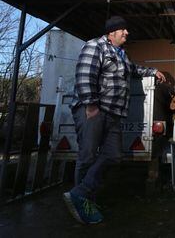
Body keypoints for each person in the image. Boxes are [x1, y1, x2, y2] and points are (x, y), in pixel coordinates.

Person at [63, 16, 166, 224]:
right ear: (111, 33)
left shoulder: (121, 55)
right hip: (94, 110)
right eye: (122, 30)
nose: (126, 33)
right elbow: (85, 75)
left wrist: (153, 71)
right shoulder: (95, 46)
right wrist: (91, 105)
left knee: (114, 155)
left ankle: (80, 193)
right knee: (87, 156)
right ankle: (84, 204)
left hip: (113, 113)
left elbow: (134, 70)